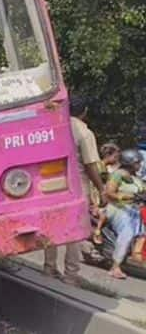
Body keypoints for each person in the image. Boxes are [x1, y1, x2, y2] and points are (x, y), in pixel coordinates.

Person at [43, 96, 105, 285]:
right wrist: (101, 188)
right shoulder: (84, 132)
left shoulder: (53, 126)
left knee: (51, 226)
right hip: (77, 185)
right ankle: (71, 273)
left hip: (52, 183)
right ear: (84, 111)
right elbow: (90, 165)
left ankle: (49, 267)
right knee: (75, 230)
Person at [104, 149, 145, 279]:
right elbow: (109, 192)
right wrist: (126, 197)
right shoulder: (118, 174)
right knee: (127, 233)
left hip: (133, 210)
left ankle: (136, 256)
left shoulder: (136, 178)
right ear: (130, 163)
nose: (140, 165)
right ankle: (115, 267)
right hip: (118, 208)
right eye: (138, 162)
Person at [94, 143, 121, 244]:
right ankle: (97, 232)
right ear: (108, 156)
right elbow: (95, 186)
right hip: (98, 200)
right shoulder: (99, 167)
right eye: (115, 157)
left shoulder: (105, 168)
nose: (116, 160)